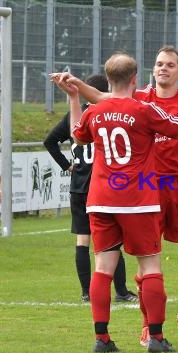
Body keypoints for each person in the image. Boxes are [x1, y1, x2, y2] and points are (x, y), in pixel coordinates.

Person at [51, 52, 178, 353]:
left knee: (106, 266)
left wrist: (74, 94)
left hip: (110, 197)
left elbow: (78, 136)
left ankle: (104, 338)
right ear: (137, 79)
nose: (163, 68)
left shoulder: (100, 110)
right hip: (140, 196)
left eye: (170, 64)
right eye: (159, 63)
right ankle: (154, 333)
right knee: (150, 264)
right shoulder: (143, 107)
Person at [43, 74, 138, 304]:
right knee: (113, 240)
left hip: (78, 188)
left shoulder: (76, 115)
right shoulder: (106, 115)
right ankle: (122, 291)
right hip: (102, 186)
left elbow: (50, 141)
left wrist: (67, 166)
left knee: (83, 241)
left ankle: (86, 292)